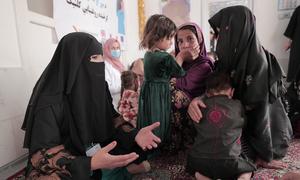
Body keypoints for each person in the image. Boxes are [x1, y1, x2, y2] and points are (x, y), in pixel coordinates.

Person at [21, 32, 161, 179]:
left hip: (93, 149)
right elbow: (42, 155)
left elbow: (112, 120)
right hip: (69, 159)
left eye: (101, 56)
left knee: (136, 146)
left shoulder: (98, 86)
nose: (101, 62)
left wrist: (135, 134)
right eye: (94, 57)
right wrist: (89, 164)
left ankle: (117, 171)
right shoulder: (49, 100)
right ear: (73, 62)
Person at [188, 6, 292, 169]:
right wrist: (197, 100)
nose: (217, 38)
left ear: (235, 30)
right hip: (239, 121)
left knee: (230, 156)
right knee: (213, 146)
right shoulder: (229, 58)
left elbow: (260, 115)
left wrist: (264, 155)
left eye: (221, 31)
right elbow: (216, 88)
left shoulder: (257, 64)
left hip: (264, 136)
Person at [186, 72, 256, 180]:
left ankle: (202, 177)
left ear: (207, 93)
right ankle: (242, 178)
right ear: (232, 92)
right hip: (230, 161)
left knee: (194, 168)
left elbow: (193, 129)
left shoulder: (199, 106)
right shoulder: (238, 105)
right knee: (248, 166)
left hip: (201, 161)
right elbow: (244, 123)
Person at [137, 14, 191, 144]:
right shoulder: (164, 57)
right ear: (158, 36)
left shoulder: (149, 54)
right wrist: (182, 57)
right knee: (159, 119)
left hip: (148, 90)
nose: (172, 42)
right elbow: (179, 72)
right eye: (169, 37)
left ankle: (147, 142)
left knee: (148, 118)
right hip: (159, 93)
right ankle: (158, 144)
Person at [166, 22, 214, 152]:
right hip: (178, 113)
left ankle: (183, 142)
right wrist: (179, 59)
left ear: (199, 40)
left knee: (173, 95)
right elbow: (164, 81)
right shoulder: (178, 61)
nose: (185, 45)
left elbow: (174, 83)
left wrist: (180, 57)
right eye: (180, 41)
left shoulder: (204, 65)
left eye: (190, 39)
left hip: (196, 113)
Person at [284, 6, 300, 139]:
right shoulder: (299, 9)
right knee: (295, 81)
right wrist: (289, 42)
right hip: (298, 49)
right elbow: (292, 29)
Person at [103, 38, 125, 110]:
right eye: (113, 48)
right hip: (113, 102)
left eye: (118, 48)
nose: (116, 50)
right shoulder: (106, 65)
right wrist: (123, 86)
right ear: (107, 49)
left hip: (122, 100)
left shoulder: (119, 63)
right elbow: (107, 87)